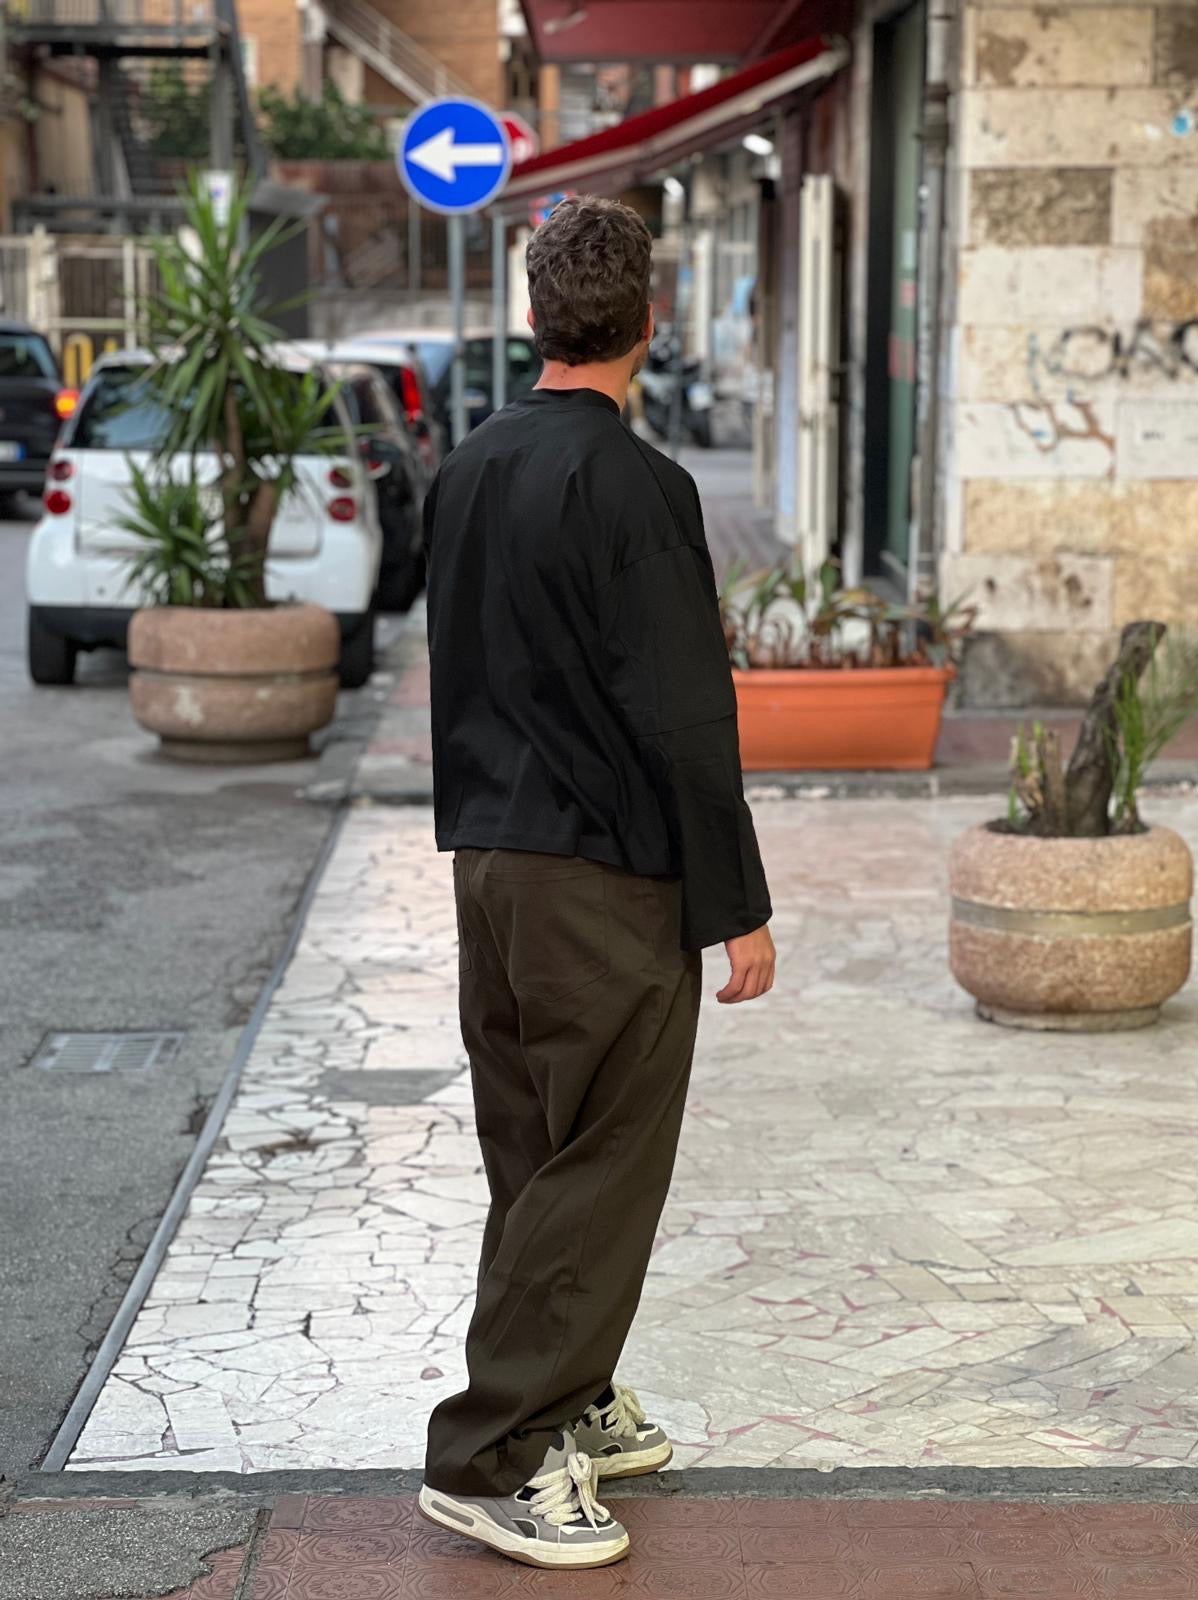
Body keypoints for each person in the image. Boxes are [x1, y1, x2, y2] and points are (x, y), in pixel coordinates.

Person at [418, 194, 775, 1571]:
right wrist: (736, 907)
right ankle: (492, 1455)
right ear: (649, 323)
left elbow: (457, 671)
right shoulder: (643, 489)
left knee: (533, 1157)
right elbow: (686, 717)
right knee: (605, 1164)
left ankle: (570, 1399)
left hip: (490, 866)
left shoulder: (466, 468)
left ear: (534, 315)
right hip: (603, 879)